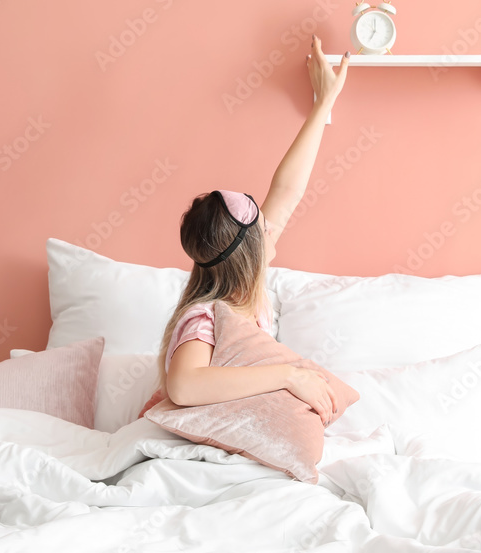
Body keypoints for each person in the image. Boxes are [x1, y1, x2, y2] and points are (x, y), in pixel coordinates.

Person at [144, 35, 351, 426]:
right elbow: (184, 387)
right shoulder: (206, 316)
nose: (269, 230)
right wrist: (290, 376)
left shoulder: (241, 290)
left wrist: (324, 101)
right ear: (252, 254)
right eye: (262, 229)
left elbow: (287, 192)